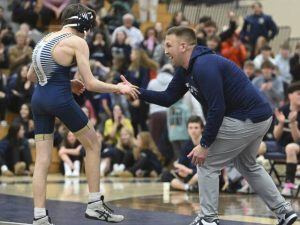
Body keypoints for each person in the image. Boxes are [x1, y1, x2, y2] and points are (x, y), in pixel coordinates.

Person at [122, 26, 297, 225]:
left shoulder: (205, 65)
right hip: (257, 117)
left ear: (183, 46)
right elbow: (168, 97)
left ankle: (208, 219)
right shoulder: (185, 70)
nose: (165, 51)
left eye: (169, 45)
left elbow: (217, 108)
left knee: (204, 162)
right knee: (247, 164)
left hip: (246, 117)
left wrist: (204, 145)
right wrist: (136, 91)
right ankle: (284, 211)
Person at [26, 3, 139, 225]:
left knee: (42, 160)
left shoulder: (45, 38)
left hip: (38, 101)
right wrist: (119, 88)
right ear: (84, 24)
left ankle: (39, 217)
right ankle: (95, 205)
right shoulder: (76, 42)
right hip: (60, 100)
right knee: (94, 143)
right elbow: (91, 83)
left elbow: (32, 76)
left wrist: (66, 83)